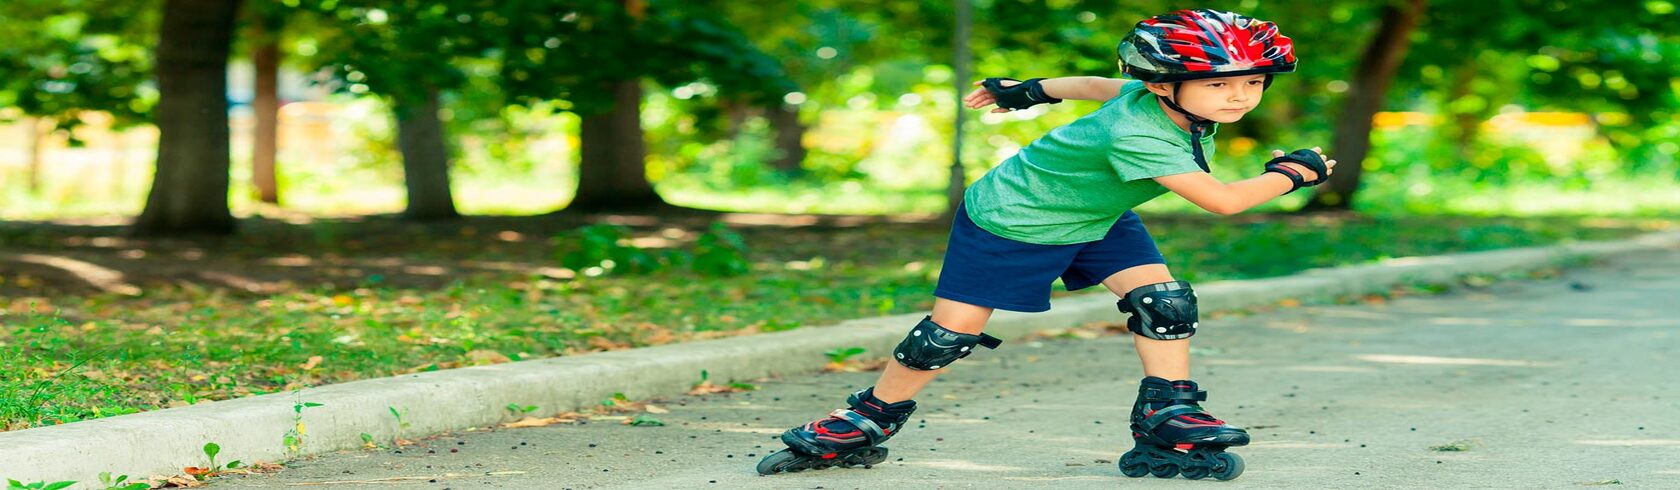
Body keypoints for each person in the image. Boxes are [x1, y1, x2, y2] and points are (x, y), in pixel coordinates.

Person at [756, 9, 1334, 481]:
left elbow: (1088, 85)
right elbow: (1223, 201)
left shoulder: (1163, 98)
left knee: (1165, 302)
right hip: (1014, 219)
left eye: (1253, 82)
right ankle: (863, 420)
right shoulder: (1139, 131)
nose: (1239, 98)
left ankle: (1170, 412)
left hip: (1095, 216)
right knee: (946, 337)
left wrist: (1026, 90)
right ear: (1165, 83)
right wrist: (1296, 173)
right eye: (1221, 84)